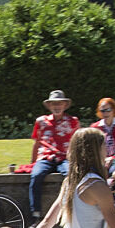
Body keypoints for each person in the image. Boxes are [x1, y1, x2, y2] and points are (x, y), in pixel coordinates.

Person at [28, 90, 79, 221]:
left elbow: (78, 142)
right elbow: (37, 143)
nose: (57, 106)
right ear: (49, 106)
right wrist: (32, 163)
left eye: (59, 103)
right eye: (54, 104)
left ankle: (72, 210)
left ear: (64, 105)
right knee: (36, 175)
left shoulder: (73, 121)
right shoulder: (41, 121)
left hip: (65, 157)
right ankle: (36, 214)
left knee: (71, 176)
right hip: (46, 157)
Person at [93, 98, 115, 166]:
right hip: (100, 161)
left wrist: (113, 158)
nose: (105, 113)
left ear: (114, 110)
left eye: (108, 110)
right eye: (102, 111)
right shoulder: (95, 128)